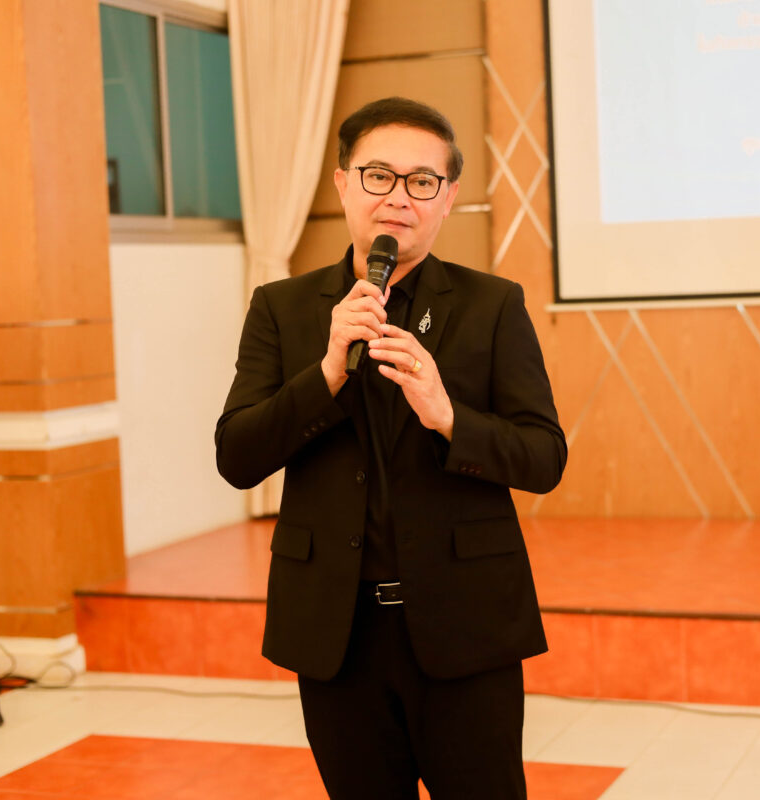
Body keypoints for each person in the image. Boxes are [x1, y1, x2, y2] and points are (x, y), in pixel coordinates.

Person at [215, 96, 567, 799]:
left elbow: (543, 457)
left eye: (422, 181)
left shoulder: (493, 305)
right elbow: (237, 457)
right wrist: (325, 374)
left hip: (464, 623)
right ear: (343, 183)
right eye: (378, 175)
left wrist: (448, 417)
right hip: (336, 631)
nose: (398, 197)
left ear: (448, 198)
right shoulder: (282, 309)